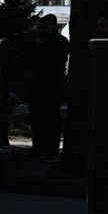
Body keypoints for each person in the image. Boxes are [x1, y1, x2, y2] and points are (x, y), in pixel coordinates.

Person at [29, 14, 69, 160]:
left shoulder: (59, 43)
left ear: (53, 27)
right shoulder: (37, 42)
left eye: (44, 27)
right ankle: (39, 148)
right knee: (38, 119)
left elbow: (54, 65)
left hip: (51, 87)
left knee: (50, 119)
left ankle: (50, 150)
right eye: (39, 27)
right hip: (38, 88)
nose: (40, 30)